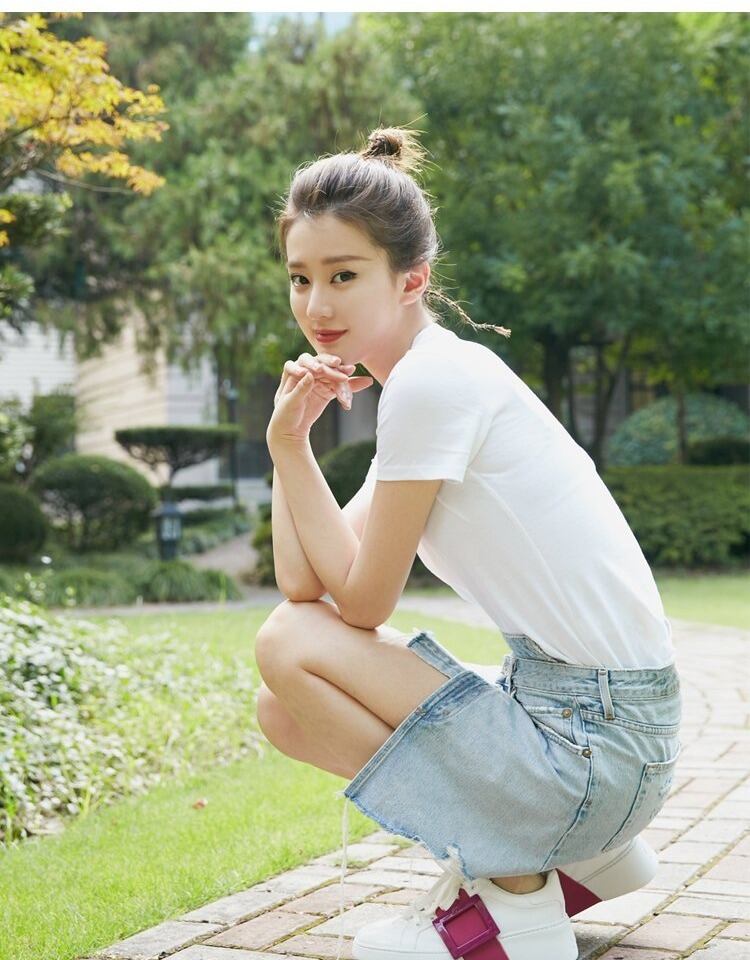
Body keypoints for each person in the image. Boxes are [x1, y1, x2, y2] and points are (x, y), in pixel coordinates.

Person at [256, 125, 682, 960]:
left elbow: (357, 604)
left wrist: (289, 451)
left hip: (593, 749)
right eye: (301, 278)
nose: (317, 306)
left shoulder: (431, 385)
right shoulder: (436, 378)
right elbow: (305, 582)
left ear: (411, 278)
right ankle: (582, 859)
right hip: (610, 740)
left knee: (284, 646)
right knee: (283, 706)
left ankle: (515, 890)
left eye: (344, 275)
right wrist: (290, 442)